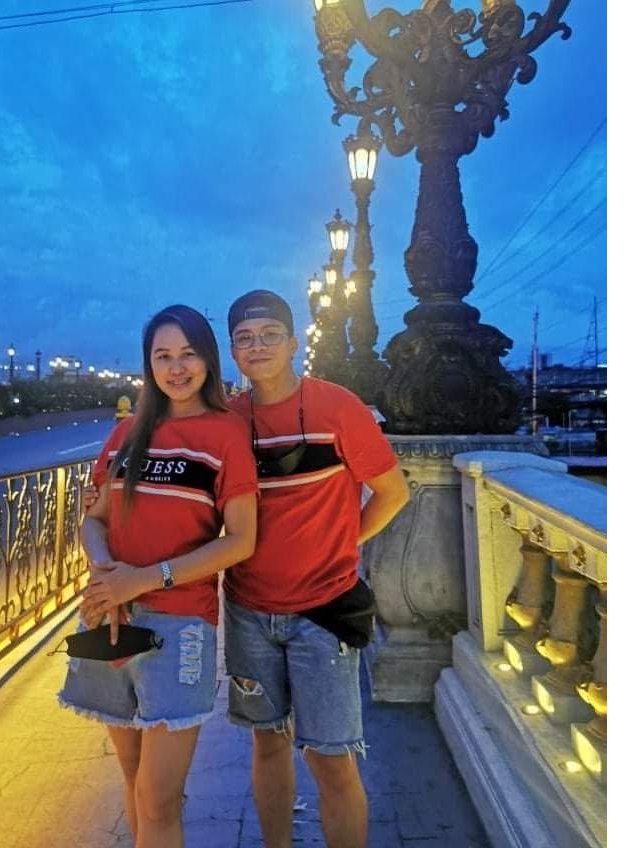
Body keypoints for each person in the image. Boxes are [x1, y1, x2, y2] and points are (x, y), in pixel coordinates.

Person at [58, 304, 258, 848]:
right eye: (163, 356)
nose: (176, 367)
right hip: (111, 614)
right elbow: (94, 521)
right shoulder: (127, 433)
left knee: (159, 798)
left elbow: (240, 540)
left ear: (208, 360)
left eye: (188, 354)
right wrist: (108, 577)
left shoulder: (226, 433)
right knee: (132, 778)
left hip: (181, 624)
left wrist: (142, 579)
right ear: (148, 364)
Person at [224, 289, 410, 848]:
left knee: (332, 758)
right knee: (268, 744)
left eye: (270, 335)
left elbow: (393, 492)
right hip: (248, 612)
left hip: (323, 614)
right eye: (244, 338)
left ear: (293, 342)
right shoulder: (228, 421)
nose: (258, 346)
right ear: (233, 352)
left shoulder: (337, 408)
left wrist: (341, 541)